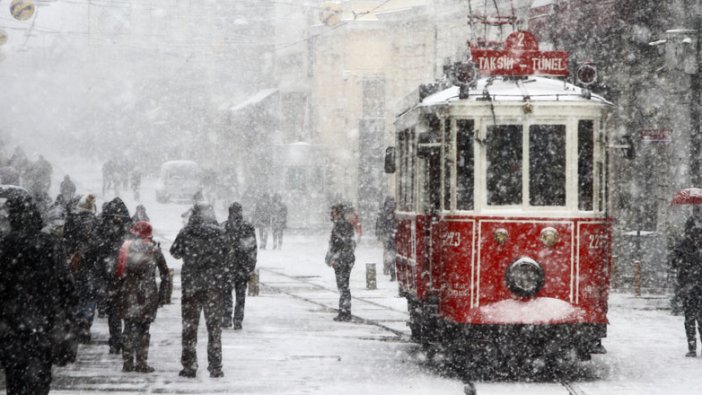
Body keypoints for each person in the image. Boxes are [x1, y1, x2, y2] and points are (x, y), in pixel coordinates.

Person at [0, 194, 79, 394]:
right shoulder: (50, 244)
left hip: (12, 319)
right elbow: (65, 283)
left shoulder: (5, 244)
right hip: (44, 317)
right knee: (40, 371)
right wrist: (69, 307)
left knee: (15, 372)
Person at [170, 202, 227, 378]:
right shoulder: (220, 234)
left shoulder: (187, 232)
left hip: (191, 286)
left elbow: (175, 252)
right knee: (214, 328)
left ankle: (189, 366)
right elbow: (227, 255)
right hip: (213, 286)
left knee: (189, 327)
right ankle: (215, 366)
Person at [115, 221, 170, 373]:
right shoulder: (154, 250)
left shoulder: (125, 248)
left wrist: (115, 292)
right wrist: (163, 296)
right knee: (144, 329)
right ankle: (141, 362)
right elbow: (165, 273)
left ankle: (127, 362)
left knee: (128, 328)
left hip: (128, 291)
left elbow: (117, 273)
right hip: (148, 293)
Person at [94, 197, 132, 354]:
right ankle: (127, 339)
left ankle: (115, 341)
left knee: (114, 310)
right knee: (129, 310)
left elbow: (96, 251)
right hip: (127, 274)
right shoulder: (128, 228)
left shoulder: (103, 228)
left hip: (110, 274)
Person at [63, 193, 100, 343]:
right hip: (92, 265)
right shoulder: (97, 222)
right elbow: (100, 245)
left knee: (76, 294)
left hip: (74, 264)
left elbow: (65, 241)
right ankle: (86, 320)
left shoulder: (72, 221)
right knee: (90, 295)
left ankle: (77, 321)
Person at [222, 202, 257, 330]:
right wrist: (250, 266)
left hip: (227, 266)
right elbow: (252, 248)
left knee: (226, 293)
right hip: (242, 267)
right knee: (240, 295)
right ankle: (238, 320)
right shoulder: (247, 227)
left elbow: (220, 248)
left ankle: (226, 317)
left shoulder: (224, 227)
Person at [672, 216, 702, 357]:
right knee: (699, 318)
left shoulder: (683, 244)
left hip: (689, 286)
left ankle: (692, 348)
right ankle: (693, 347)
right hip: (697, 285)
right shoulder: (696, 243)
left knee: (690, 318)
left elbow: (674, 263)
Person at [325, 203, 356, 322]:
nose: (331, 215)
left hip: (342, 260)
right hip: (346, 259)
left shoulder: (339, 226)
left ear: (338, 213)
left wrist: (334, 257)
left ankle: (344, 311)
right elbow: (350, 243)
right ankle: (345, 310)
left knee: (342, 286)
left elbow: (337, 244)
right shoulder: (345, 225)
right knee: (344, 285)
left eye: (333, 213)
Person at [375, 197, 397, 281]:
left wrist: (379, 233)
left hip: (386, 235)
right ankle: (391, 270)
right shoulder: (393, 210)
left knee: (387, 251)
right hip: (393, 234)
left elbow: (379, 223)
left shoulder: (382, 211)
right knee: (392, 252)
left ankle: (387, 268)